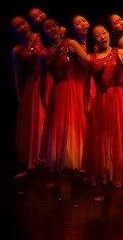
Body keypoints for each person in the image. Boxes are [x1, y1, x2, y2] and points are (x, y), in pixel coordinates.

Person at [82, 23, 123, 201]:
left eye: (104, 33)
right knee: (104, 143)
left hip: (121, 100)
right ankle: (105, 187)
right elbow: (86, 85)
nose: (102, 37)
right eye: (98, 35)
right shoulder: (89, 58)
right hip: (102, 102)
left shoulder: (120, 53)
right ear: (94, 40)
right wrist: (86, 105)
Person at [38, 18, 90, 189]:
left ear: (60, 28)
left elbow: (87, 61)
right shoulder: (44, 53)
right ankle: (56, 174)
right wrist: (44, 99)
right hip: (58, 92)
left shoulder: (71, 44)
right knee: (58, 132)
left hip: (75, 89)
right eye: (48, 28)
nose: (52, 29)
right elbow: (43, 79)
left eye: (54, 25)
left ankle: (83, 169)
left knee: (77, 128)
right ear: (43, 32)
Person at [11, 15, 47, 179]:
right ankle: (35, 163)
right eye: (17, 27)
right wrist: (20, 96)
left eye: (23, 23)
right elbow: (18, 75)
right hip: (33, 86)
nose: (22, 27)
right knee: (35, 124)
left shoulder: (42, 37)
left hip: (49, 81)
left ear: (28, 23)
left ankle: (55, 161)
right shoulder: (17, 50)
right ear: (14, 31)